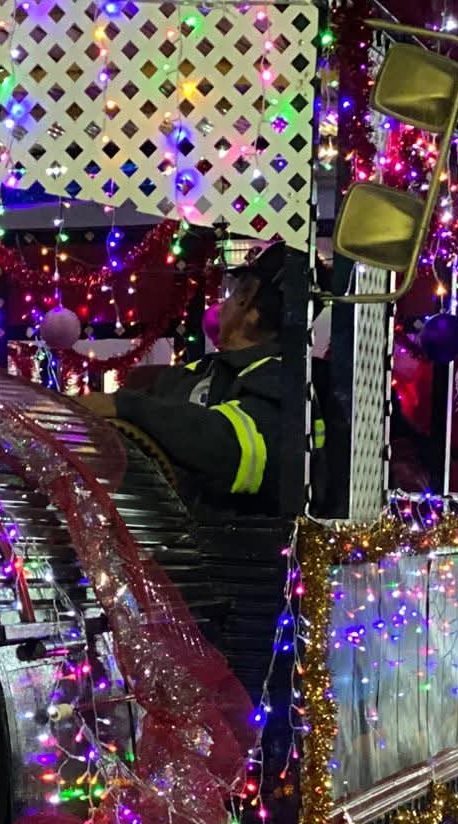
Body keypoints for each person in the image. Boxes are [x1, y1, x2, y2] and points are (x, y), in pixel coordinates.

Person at [81, 241, 295, 695]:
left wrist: (126, 405)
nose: (227, 296)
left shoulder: (283, 381)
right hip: (158, 589)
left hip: (238, 604)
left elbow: (234, 451)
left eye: (239, 289)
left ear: (253, 310)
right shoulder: (194, 374)